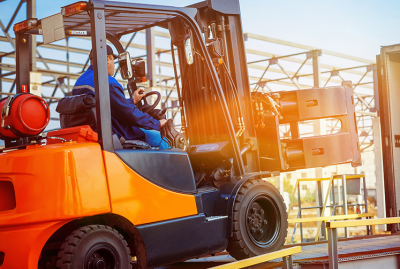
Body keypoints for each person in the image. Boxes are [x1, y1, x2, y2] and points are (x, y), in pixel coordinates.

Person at [72, 45, 169, 149]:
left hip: (92, 135)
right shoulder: (107, 82)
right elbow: (128, 113)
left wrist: (132, 101)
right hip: (115, 134)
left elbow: (109, 105)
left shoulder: (80, 82)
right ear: (106, 59)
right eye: (114, 61)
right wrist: (156, 123)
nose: (114, 65)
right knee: (162, 138)